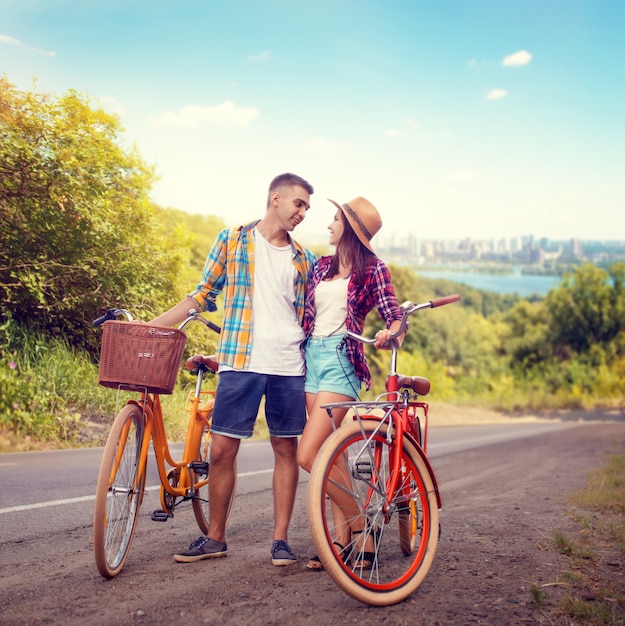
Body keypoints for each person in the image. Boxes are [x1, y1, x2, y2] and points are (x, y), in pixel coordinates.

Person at [150, 172, 316, 566]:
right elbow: (202, 295)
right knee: (222, 450)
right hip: (240, 360)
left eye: (308, 208)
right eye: (299, 204)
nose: (303, 213)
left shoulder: (305, 259)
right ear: (276, 198)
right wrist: (152, 326)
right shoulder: (232, 239)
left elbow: (312, 314)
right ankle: (215, 539)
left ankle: (280, 541)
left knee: (286, 449)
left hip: (289, 365)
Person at [296, 196, 403, 571]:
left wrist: (390, 333)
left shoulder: (374, 269)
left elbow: (395, 315)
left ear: (351, 230)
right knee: (334, 456)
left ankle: (362, 527)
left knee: (310, 455)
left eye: (335, 219)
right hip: (312, 358)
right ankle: (340, 544)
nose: (328, 224)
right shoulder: (320, 266)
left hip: (342, 360)